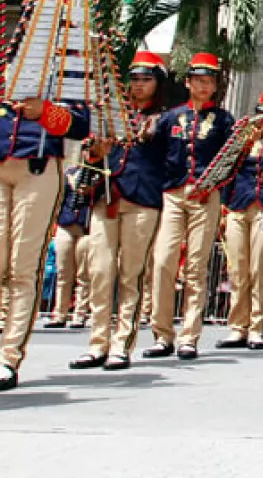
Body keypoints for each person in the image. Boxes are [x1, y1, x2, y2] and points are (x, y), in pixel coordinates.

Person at [0, 85, 90, 393]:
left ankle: (9, 358)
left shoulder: (68, 66)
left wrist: (46, 111)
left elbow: (81, 123)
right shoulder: (3, 63)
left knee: (23, 265)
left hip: (38, 166)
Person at [71, 51, 171, 371]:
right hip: (107, 194)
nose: (139, 85)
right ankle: (97, 342)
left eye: (147, 79)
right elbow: (89, 152)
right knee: (99, 270)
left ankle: (121, 342)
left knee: (132, 274)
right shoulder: (110, 114)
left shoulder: (166, 118)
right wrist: (94, 151)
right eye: (135, 79)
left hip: (142, 198)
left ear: (159, 83)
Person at [143, 53, 235, 362]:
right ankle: (161, 332)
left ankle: (189, 335)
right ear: (188, 82)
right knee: (164, 260)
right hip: (173, 192)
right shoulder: (171, 118)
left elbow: (231, 160)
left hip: (205, 195)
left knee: (196, 265)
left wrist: (215, 185)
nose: (203, 86)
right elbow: (156, 157)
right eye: (198, 80)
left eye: (209, 81)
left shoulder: (223, 120)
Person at [217, 91, 263, 350]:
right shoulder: (245, 142)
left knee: (259, 269)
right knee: (237, 268)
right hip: (239, 205)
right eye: (262, 113)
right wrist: (224, 208)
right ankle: (237, 326)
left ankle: (257, 327)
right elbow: (227, 172)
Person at [46, 166, 95, 329]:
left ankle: (79, 313)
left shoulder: (99, 173)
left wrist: (91, 190)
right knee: (63, 273)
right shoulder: (70, 173)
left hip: (85, 225)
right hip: (65, 223)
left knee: (83, 274)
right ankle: (59, 313)